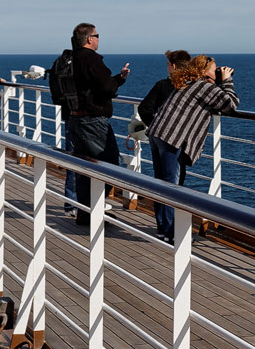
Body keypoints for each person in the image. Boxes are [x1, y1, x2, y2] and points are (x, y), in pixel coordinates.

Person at [146, 55, 238, 242]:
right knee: (171, 186)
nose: (218, 71)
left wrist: (218, 82)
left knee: (160, 183)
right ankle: (171, 234)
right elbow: (230, 105)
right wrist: (227, 80)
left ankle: (163, 230)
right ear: (204, 71)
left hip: (157, 134)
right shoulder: (204, 87)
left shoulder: (188, 82)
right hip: (171, 138)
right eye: (214, 69)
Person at [68, 23, 130, 225]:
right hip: (93, 121)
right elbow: (106, 87)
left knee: (85, 166)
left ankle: (84, 212)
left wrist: (117, 79)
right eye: (97, 35)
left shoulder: (71, 58)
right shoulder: (92, 59)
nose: (98, 39)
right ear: (89, 39)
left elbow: (91, 85)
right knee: (108, 164)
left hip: (75, 118)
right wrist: (118, 80)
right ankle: (93, 211)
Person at [138, 49, 191, 186]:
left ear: (174, 66)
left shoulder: (162, 85)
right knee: (174, 179)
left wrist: (156, 125)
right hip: (178, 137)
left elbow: (144, 109)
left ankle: (161, 200)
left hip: (158, 135)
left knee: (160, 177)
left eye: (168, 64)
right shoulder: (191, 88)